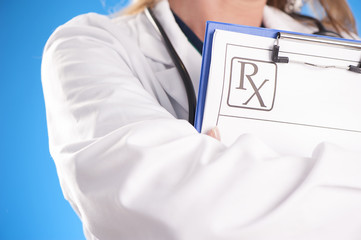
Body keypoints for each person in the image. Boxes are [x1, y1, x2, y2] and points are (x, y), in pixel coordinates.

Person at [41, 0, 361, 239]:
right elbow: (182, 213)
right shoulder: (89, 45)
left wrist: (220, 175)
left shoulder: (344, 50)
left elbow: (209, 206)